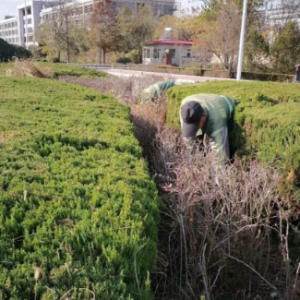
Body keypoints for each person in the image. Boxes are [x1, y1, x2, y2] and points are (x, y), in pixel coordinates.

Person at [180, 94, 239, 160]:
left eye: (195, 125)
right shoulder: (185, 108)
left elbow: (220, 160)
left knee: (221, 151)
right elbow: (189, 142)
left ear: (203, 117)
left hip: (227, 110)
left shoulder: (217, 122)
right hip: (208, 105)